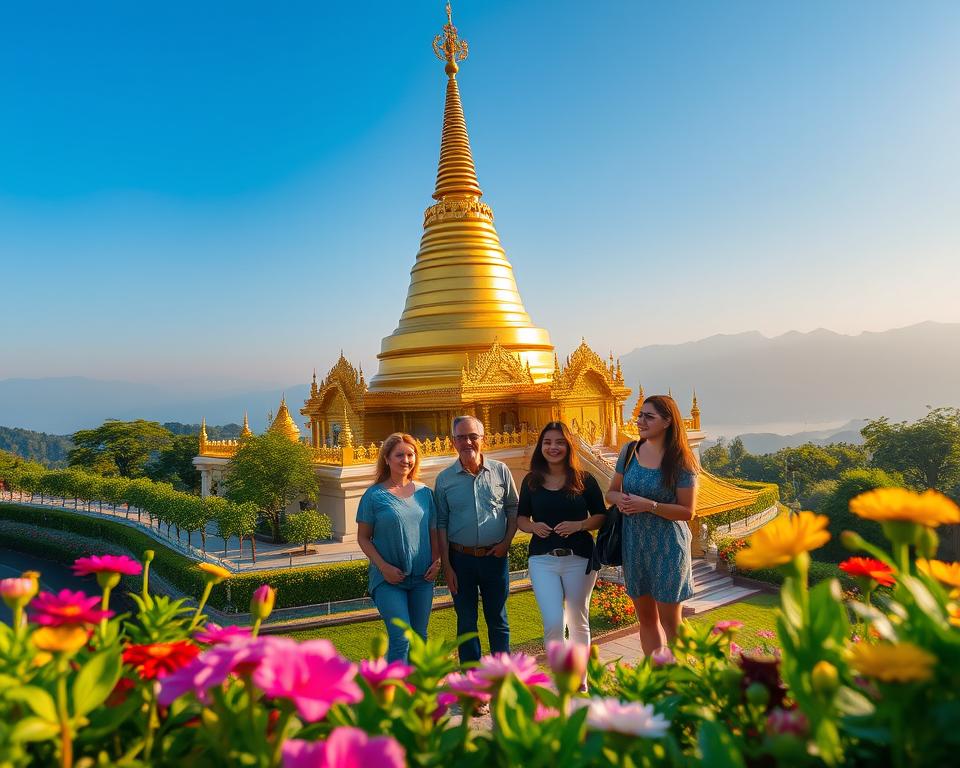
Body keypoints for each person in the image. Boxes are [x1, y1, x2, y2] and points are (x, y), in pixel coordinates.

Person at [605, 395, 699, 656]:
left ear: (667, 421)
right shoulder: (629, 452)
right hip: (634, 544)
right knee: (645, 619)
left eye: (649, 416)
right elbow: (610, 493)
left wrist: (650, 505)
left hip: (668, 547)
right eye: (640, 415)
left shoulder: (681, 460)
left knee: (671, 621)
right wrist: (621, 500)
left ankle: (686, 679)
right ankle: (657, 679)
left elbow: (687, 511)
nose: (640, 421)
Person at [517, 421, 607, 659]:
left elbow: (601, 516)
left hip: (579, 559)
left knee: (578, 620)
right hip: (543, 560)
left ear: (568, 446)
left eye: (559, 442)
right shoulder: (531, 481)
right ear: (541, 447)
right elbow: (521, 519)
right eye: (547, 442)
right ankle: (561, 678)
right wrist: (533, 527)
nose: (553, 447)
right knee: (554, 622)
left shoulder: (584, 479)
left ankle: (580, 677)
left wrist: (579, 525)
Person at [435, 415, 519, 665]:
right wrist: (447, 566)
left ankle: (501, 678)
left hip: (494, 557)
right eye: (461, 437)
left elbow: (513, 507)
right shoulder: (444, 479)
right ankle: (472, 685)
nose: (467, 442)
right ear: (453, 442)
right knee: (466, 622)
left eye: (473, 436)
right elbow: (441, 522)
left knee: (498, 619)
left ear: (483, 439)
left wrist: (506, 543)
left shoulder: (500, 471)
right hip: (460, 560)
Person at [357, 433, 441, 663]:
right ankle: (393, 694)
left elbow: (433, 531)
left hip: (422, 578)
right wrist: (383, 567)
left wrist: (437, 562)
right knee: (401, 637)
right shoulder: (374, 496)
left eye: (410, 454)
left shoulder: (425, 493)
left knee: (418, 637)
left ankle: (416, 694)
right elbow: (363, 538)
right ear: (387, 459)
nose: (406, 460)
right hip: (388, 579)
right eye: (399, 455)